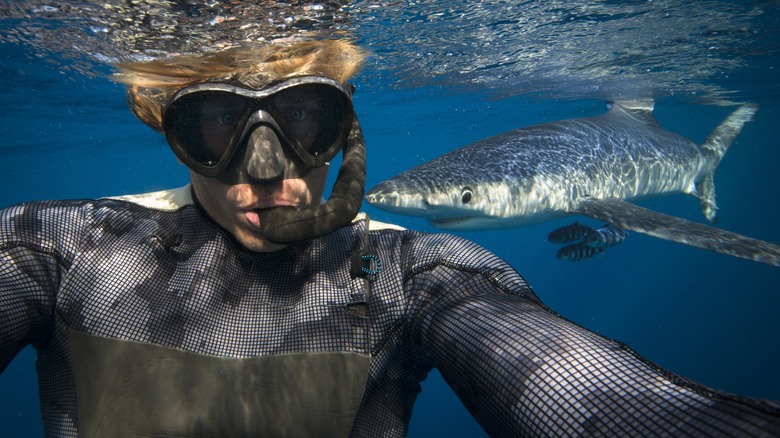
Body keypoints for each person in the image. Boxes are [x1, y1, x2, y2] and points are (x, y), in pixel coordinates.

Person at [1, 38, 778, 438]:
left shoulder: (412, 272)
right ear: (168, 130)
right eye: (215, 128)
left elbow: (554, 373)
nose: (265, 173)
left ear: (345, 131)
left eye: (305, 123)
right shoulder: (60, 246)